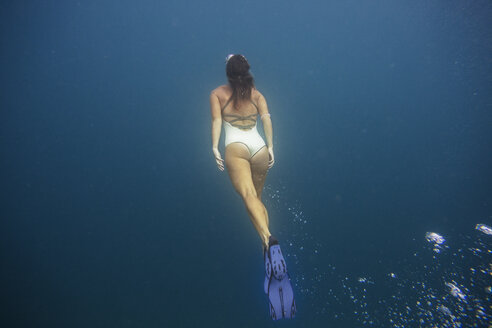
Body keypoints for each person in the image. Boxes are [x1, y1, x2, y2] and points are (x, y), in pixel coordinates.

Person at [209, 54, 296, 320]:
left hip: (235, 147)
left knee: (247, 196)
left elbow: (215, 122)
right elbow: (267, 119)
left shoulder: (218, 94)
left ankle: (269, 241)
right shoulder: (258, 95)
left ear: (227, 73)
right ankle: (267, 250)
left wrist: (214, 147)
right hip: (259, 147)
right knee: (258, 197)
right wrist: (271, 146)